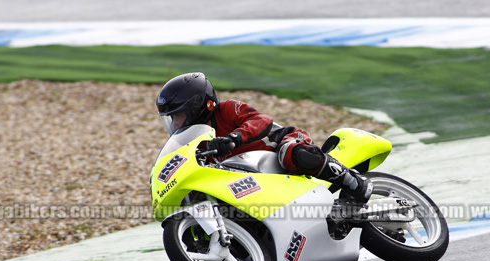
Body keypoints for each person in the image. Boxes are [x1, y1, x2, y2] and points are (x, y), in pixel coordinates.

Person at [156, 72, 372, 202]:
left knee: (292, 154)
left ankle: (354, 183)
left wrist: (234, 138)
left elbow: (261, 120)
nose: (175, 124)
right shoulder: (197, 141)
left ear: (197, 105)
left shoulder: (227, 109)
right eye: (171, 119)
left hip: (282, 144)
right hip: (256, 177)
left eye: (178, 116)